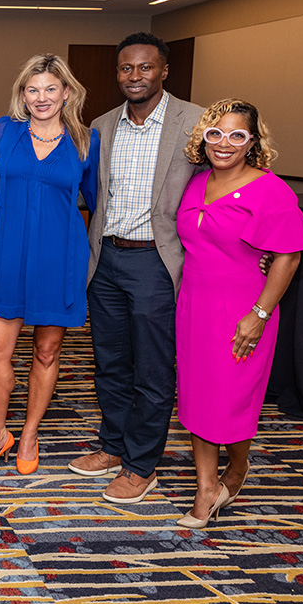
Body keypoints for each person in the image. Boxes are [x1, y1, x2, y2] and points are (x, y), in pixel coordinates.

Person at [68, 32, 204, 503]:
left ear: (164, 70)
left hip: (156, 261)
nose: (135, 76)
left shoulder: (195, 122)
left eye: (145, 67)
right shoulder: (102, 125)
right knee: (109, 362)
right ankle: (113, 445)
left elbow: (224, 179)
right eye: (126, 68)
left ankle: (142, 464)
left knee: (151, 368)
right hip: (106, 259)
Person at [174, 99, 303, 527]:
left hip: (244, 309)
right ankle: (206, 486)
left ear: (252, 142)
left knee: (229, 400)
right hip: (194, 305)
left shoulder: (271, 190)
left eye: (237, 135)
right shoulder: (195, 182)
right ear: (204, 138)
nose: (224, 143)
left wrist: (260, 315)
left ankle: (237, 468)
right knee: (196, 397)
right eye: (215, 133)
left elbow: (288, 256)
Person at [0, 54, 98, 476]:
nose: (41, 98)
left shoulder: (86, 142)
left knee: (46, 351)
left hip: (59, 260)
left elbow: (99, 203)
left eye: (50, 89)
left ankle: (28, 434)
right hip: (9, 257)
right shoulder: (5, 132)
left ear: (66, 93)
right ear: (22, 95)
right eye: (33, 89)